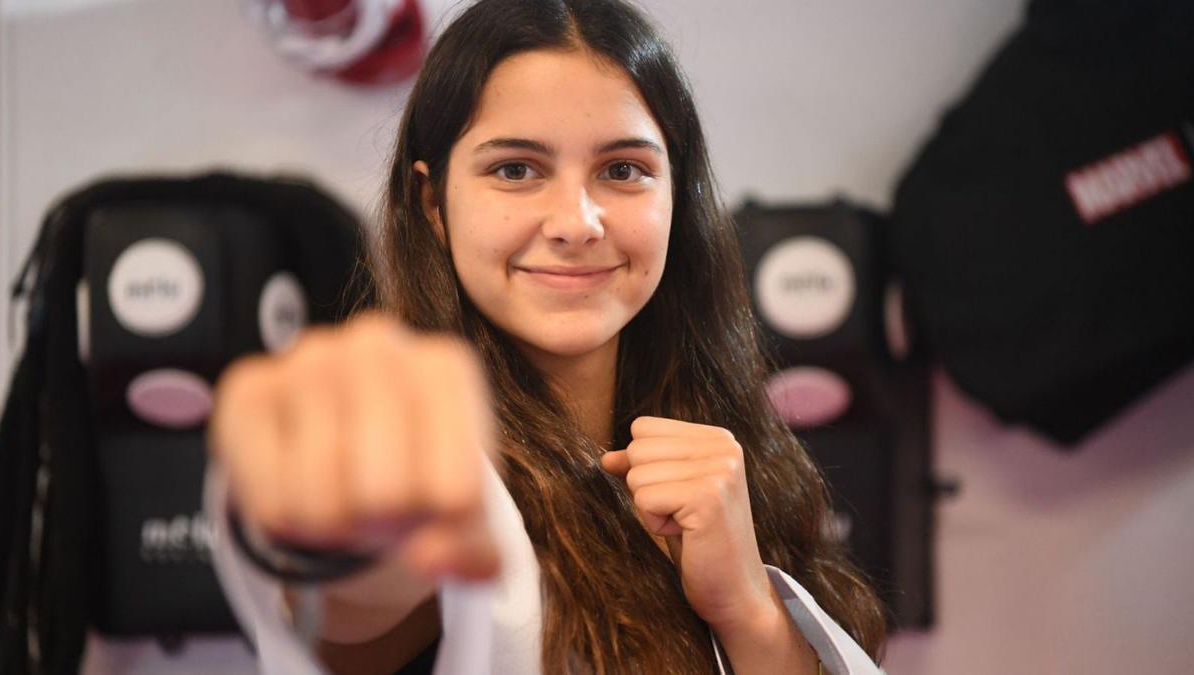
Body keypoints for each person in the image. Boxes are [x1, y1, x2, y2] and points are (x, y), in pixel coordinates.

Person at [207, 0, 887, 673]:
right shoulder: (443, 471)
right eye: (516, 170)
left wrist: (747, 608)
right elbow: (354, 607)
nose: (577, 222)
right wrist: (345, 521)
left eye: (623, 169)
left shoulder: (732, 456)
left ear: (677, 196)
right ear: (433, 204)